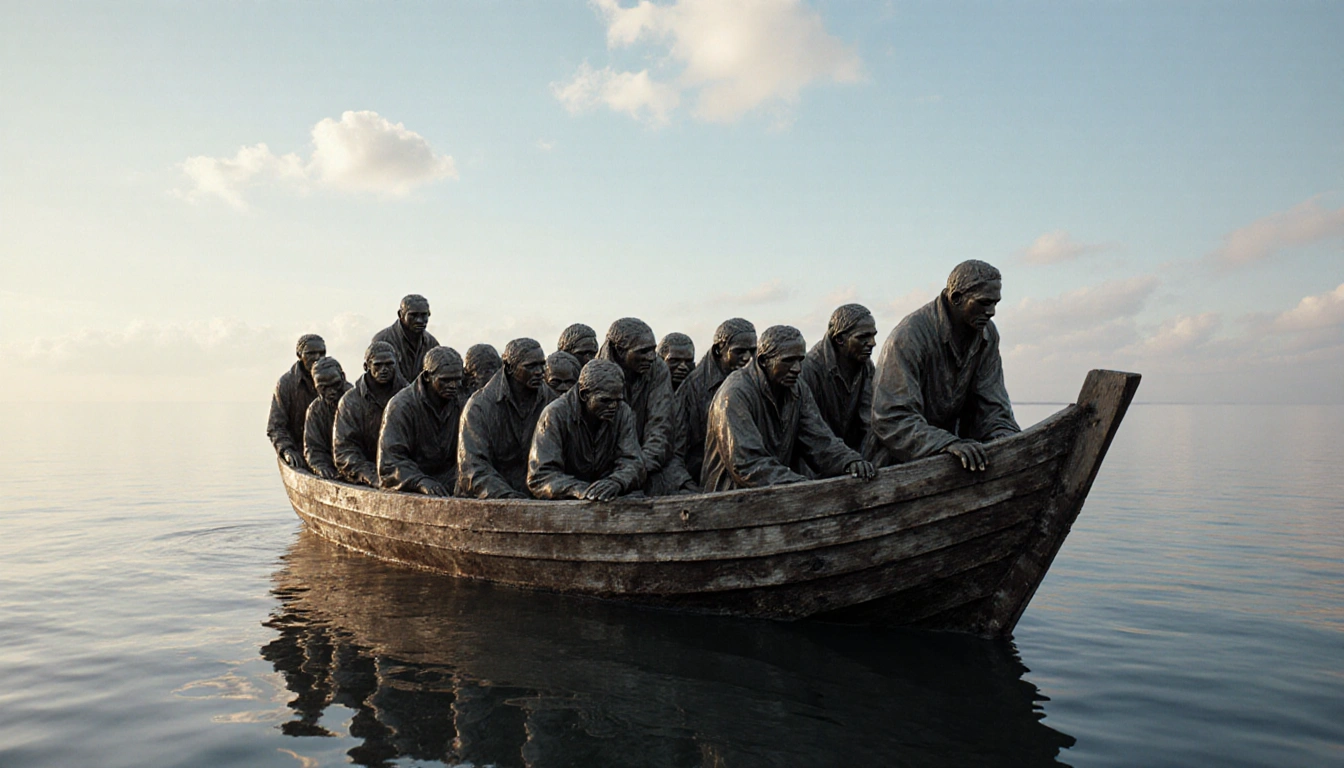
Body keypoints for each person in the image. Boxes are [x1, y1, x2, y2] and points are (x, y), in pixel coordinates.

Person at [864, 260, 1020, 472]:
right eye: (983, 303)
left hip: (956, 457)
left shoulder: (987, 334)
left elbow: (992, 404)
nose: (992, 311)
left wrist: (1008, 439)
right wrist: (945, 443)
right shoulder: (908, 337)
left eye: (995, 303)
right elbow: (891, 418)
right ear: (956, 298)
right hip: (895, 464)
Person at [702, 326, 875, 491]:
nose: (797, 369)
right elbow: (746, 464)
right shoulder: (734, 395)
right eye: (788, 361)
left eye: (800, 360)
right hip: (730, 498)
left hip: (774, 493)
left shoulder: (797, 388)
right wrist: (798, 483)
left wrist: (848, 461)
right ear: (763, 361)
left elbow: (818, 438)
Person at [596, 317, 691, 495]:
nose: (651, 357)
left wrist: (633, 473)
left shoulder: (658, 368)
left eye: (653, 350)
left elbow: (660, 428)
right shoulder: (596, 375)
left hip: (647, 464)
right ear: (619, 350)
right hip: (606, 468)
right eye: (642, 351)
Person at [527, 359, 645, 501]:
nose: (613, 406)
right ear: (584, 395)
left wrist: (617, 481)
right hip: (567, 503)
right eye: (605, 400)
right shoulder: (555, 414)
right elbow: (540, 476)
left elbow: (634, 462)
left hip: (611, 498)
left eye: (617, 400)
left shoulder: (623, 411)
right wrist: (579, 489)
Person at [456, 338, 557, 499]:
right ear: (509, 368)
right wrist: (508, 497)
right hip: (487, 504)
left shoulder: (551, 402)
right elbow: (472, 468)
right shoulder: (479, 407)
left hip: (537, 501)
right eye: (530, 366)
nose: (539, 371)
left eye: (541, 364)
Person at [675, 318, 756, 482]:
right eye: (739, 351)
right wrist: (686, 485)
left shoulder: (755, 380)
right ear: (719, 350)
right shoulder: (692, 388)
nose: (748, 358)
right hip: (704, 479)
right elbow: (676, 450)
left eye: (752, 351)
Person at [377, 346, 465, 495]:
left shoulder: (463, 401)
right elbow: (390, 462)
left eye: (457, 379)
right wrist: (420, 481)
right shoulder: (401, 407)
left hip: (452, 484)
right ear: (427, 377)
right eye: (445, 380)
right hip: (412, 486)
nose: (453, 386)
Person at [800, 304, 877, 453]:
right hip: (820, 456)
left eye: (873, 335)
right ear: (840, 339)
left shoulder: (866, 366)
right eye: (863, 337)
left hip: (855, 453)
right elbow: (810, 430)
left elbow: (870, 419)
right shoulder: (809, 369)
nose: (873, 343)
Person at [333, 341, 408, 486]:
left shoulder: (408, 397)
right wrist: (370, 475)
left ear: (397, 364)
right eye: (378, 365)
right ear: (366, 367)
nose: (384, 369)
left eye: (389, 364)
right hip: (366, 476)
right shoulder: (350, 402)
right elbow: (344, 451)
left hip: (404, 474)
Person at [267, 334, 326, 470]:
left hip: (328, 455)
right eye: (311, 353)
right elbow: (276, 426)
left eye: (322, 353)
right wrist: (287, 450)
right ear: (299, 354)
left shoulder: (334, 380)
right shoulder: (286, 384)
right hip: (299, 453)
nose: (317, 357)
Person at [371, 294, 440, 383]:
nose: (419, 320)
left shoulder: (432, 344)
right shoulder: (382, 340)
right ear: (401, 314)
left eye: (423, 315)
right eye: (413, 315)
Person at [303, 357, 352, 480]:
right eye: (323, 388)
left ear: (343, 377)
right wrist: (320, 466)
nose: (331, 392)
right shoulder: (315, 411)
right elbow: (313, 447)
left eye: (335, 385)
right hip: (333, 470)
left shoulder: (360, 402)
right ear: (315, 385)